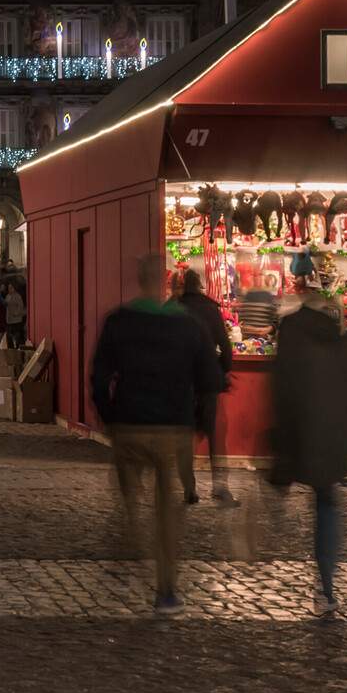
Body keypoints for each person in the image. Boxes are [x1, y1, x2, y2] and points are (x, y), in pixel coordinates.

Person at [88, 252, 222, 615]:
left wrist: (109, 416)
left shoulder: (119, 321)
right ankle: (166, 589)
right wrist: (196, 421)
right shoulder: (189, 325)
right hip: (171, 428)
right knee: (167, 509)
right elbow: (210, 379)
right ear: (165, 283)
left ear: (139, 280)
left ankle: (132, 537)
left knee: (129, 492)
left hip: (129, 424)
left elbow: (99, 376)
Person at [268, 283, 347, 615]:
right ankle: (326, 585)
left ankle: (280, 545)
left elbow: (279, 393)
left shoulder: (290, 344)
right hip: (332, 435)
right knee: (327, 502)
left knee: (316, 499)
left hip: (298, 432)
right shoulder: (344, 346)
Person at [175, 269, 236, 505]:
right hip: (208, 379)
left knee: (186, 435)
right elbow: (225, 345)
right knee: (214, 436)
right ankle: (220, 487)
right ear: (200, 286)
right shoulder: (211, 309)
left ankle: (189, 488)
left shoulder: (175, 308)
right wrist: (222, 369)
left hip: (183, 380)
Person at [3, 281, 27, 348]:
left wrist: (16, 313)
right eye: (8, 288)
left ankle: (17, 347)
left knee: (17, 336)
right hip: (9, 319)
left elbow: (20, 306)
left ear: (14, 288)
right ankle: (10, 348)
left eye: (11, 288)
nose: (9, 289)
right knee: (9, 336)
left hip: (16, 320)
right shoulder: (8, 296)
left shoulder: (17, 296)